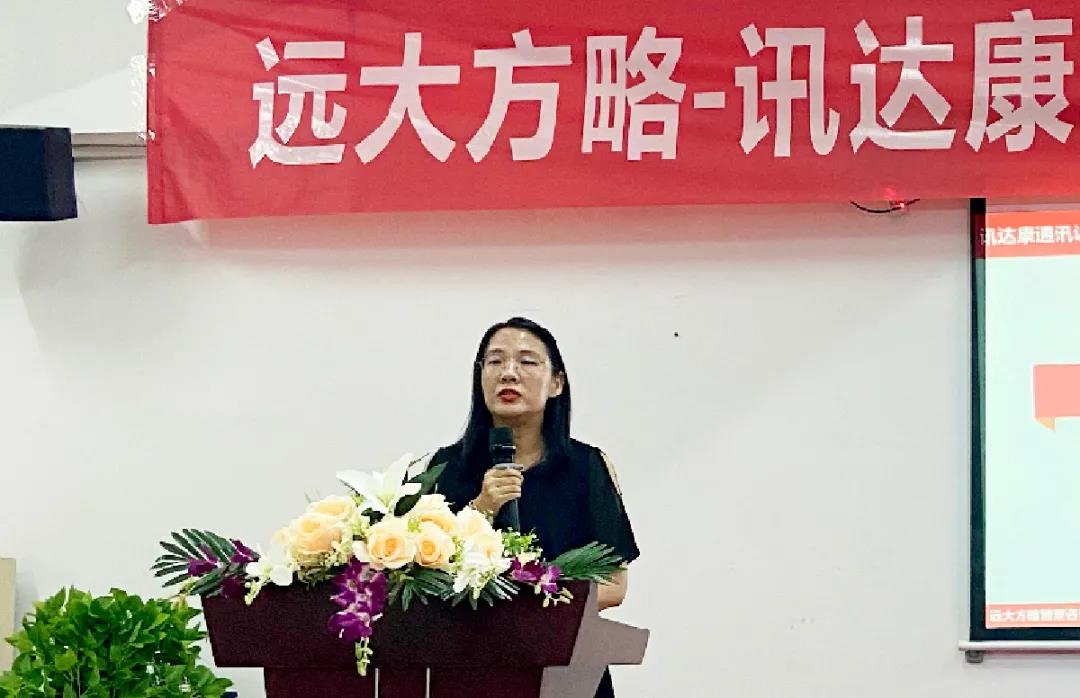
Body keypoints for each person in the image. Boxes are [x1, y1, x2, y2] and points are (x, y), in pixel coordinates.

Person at [431, 317, 639, 698]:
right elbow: (424, 575)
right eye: (495, 361)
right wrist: (481, 508)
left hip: (568, 672)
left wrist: (530, 604)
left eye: (526, 361)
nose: (508, 373)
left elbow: (613, 584)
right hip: (471, 671)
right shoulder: (446, 469)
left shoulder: (587, 467)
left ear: (556, 383)